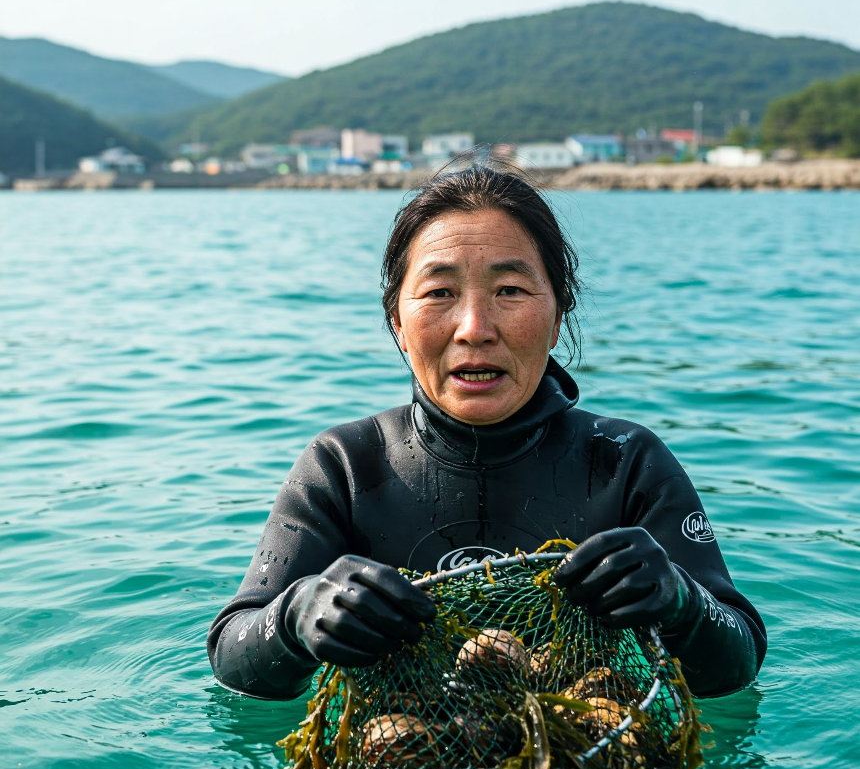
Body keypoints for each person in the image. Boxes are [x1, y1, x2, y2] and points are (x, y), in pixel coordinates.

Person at [208, 165, 766, 702]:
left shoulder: (626, 463)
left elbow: (736, 662)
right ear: (397, 324)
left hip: (587, 765)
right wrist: (297, 614)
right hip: (398, 766)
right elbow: (234, 653)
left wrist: (683, 602)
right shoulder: (345, 466)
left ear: (556, 319)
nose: (474, 328)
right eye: (438, 293)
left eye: (511, 291)